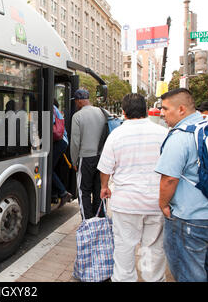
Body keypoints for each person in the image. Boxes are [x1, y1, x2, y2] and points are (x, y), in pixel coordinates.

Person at [98, 93, 168, 282]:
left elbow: (105, 168)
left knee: (124, 246)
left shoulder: (116, 135)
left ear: (123, 112)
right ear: (146, 110)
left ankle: (124, 279)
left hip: (126, 203)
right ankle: (151, 278)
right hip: (156, 201)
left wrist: (104, 186)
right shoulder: (163, 133)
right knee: (152, 247)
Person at [155, 88, 208, 282]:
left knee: (189, 274)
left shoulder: (181, 136)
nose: (162, 113)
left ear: (181, 109)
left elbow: (169, 179)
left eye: (166, 109)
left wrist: (163, 204)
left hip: (190, 219)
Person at [70, 88, 106, 219]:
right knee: (99, 190)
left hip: (85, 158)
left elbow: (75, 142)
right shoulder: (102, 112)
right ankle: (100, 219)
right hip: (102, 158)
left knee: (83, 191)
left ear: (79, 101)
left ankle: (88, 222)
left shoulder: (77, 116)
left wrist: (74, 161)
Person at [52, 98, 73, 208]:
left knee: (48, 169)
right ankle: (54, 194)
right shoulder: (56, 109)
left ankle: (63, 193)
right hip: (62, 142)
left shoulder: (51, 108)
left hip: (59, 142)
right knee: (54, 168)